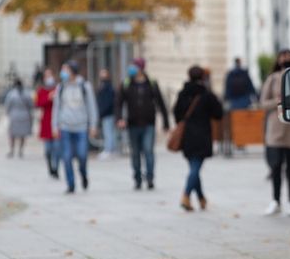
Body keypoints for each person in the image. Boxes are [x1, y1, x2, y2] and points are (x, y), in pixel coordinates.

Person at [260, 49, 290, 216]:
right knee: (275, 167)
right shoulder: (272, 79)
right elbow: (263, 103)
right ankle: (275, 200)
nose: (286, 61)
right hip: (275, 129)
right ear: (278, 60)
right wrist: (278, 101)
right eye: (283, 58)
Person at [173, 65, 224, 211]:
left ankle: (201, 199)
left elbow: (176, 113)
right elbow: (218, 113)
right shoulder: (206, 94)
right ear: (202, 77)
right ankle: (186, 195)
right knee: (195, 169)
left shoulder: (182, 93)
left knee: (193, 169)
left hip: (187, 136)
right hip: (202, 136)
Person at [116, 57, 170, 190]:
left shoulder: (151, 83)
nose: (131, 69)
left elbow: (161, 103)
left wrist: (166, 123)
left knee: (148, 150)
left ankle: (150, 177)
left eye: (134, 66)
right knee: (135, 153)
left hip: (148, 124)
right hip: (133, 124)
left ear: (141, 68)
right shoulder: (126, 84)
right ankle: (137, 178)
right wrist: (119, 118)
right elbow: (118, 103)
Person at [54, 61, 98, 193]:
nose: (63, 73)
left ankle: (83, 175)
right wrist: (55, 126)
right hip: (65, 127)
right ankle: (71, 184)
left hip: (81, 127)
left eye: (65, 70)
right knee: (66, 157)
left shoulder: (84, 86)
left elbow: (91, 106)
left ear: (72, 71)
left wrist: (93, 125)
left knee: (82, 155)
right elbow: (56, 108)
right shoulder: (61, 87)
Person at [34, 68, 59, 178]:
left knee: (57, 148)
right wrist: (49, 98)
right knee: (48, 148)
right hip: (46, 122)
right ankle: (50, 166)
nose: (49, 78)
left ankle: (56, 168)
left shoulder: (58, 89)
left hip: (57, 122)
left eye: (50, 75)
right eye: (47, 76)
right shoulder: (42, 91)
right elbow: (38, 103)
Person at [2, 78, 34, 158]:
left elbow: (7, 105)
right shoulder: (27, 93)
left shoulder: (11, 94)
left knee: (12, 135)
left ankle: (12, 150)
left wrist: (7, 113)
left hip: (14, 116)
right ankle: (20, 150)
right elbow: (31, 105)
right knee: (22, 135)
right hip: (24, 116)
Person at [95, 68, 117, 158]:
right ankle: (111, 149)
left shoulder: (108, 87)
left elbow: (108, 101)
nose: (101, 75)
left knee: (109, 132)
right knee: (109, 132)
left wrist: (102, 111)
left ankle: (109, 150)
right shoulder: (103, 86)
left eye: (103, 73)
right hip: (106, 113)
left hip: (108, 113)